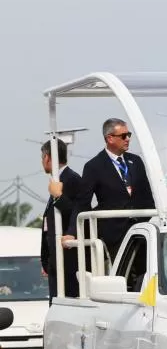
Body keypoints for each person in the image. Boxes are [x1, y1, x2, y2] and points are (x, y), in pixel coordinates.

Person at [64, 118, 155, 262]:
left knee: (145, 273)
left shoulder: (136, 161)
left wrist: (150, 221)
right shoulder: (94, 166)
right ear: (110, 138)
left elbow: (147, 196)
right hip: (114, 234)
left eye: (129, 135)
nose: (128, 139)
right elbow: (82, 202)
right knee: (122, 277)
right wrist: (71, 232)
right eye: (124, 136)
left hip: (141, 231)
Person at [39, 138, 81, 300]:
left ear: (48, 157)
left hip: (68, 261)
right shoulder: (58, 180)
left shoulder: (72, 179)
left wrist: (59, 197)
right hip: (55, 260)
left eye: (42, 158)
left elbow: (77, 212)